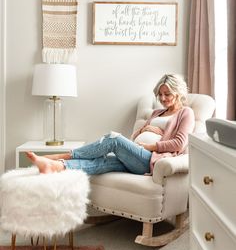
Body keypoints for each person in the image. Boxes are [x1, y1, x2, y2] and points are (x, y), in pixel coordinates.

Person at [26, 74, 195, 175]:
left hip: (151, 159)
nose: (163, 98)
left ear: (178, 93)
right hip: (138, 154)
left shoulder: (185, 113)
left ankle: (62, 156)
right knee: (101, 161)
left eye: (167, 94)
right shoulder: (156, 113)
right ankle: (56, 166)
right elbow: (134, 137)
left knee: (113, 139)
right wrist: (144, 129)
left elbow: (179, 144)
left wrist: (150, 146)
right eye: (160, 95)